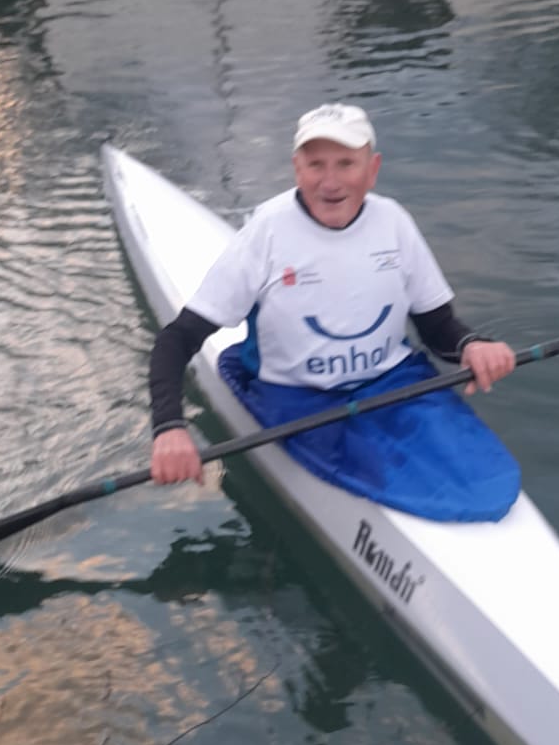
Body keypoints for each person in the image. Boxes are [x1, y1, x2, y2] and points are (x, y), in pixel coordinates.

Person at [147, 105, 521, 522]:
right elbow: (177, 339)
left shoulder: (393, 222)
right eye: (315, 165)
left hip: (392, 383)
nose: (330, 182)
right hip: (299, 398)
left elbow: (437, 329)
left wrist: (472, 346)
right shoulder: (268, 231)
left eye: (346, 164)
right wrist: (169, 427)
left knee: (486, 481)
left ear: (372, 169)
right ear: (296, 168)